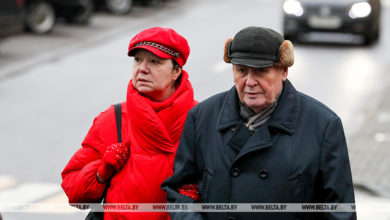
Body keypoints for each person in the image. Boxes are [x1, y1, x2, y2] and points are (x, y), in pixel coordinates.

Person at [162, 26, 356, 220]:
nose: (249, 81)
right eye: (241, 70)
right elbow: (181, 192)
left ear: (283, 71)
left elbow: (340, 210)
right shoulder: (202, 117)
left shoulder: (322, 126)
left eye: (261, 71)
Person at [61, 27, 197, 220]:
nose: (142, 68)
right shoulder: (113, 118)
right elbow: (74, 195)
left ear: (176, 71)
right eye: (137, 60)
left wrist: (199, 191)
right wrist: (100, 172)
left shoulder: (200, 119)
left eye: (154, 62)